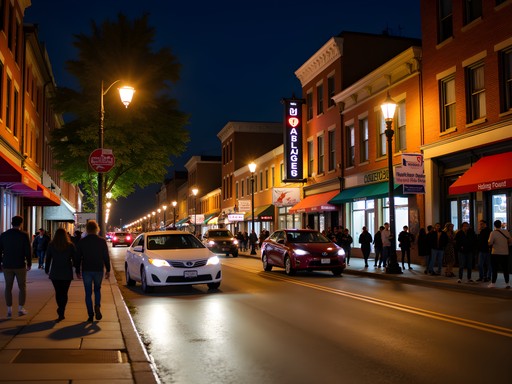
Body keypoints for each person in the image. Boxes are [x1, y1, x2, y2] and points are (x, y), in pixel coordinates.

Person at [75, 220, 111, 322]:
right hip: (98, 269)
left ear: (87, 229)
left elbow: (78, 257)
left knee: (88, 293)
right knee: (97, 290)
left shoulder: (82, 241)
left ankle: (90, 315)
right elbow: (105, 256)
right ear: (96, 229)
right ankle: (97, 306)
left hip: (87, 269)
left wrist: (77, 270)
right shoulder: (102, 241)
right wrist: (108, 269)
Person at [0, 216, 32, 317]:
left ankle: (9, 309)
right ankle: (20, 308)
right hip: (20, 264)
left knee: (8, 287)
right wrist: (29, 263)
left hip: (7, 265)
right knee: (22, 287)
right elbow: (27, 250)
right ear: (21, 223)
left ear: (11, 223)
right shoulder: (24, 235)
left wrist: (1, 263)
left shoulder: (4, 235)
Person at [45, 228, 76, 322]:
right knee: (64, 293)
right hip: (66, 271)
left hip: (55, 271)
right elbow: (75, 258)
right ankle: (61, 310)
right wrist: (76, 267)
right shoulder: (70, 245)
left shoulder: (51, 245)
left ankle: (60, 309)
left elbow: (48, 258)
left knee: (58, 292)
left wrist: (47, 269)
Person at [487, 219, 511, 289]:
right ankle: (507, 283)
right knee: (505, 269)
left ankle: (493, 283)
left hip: (496, 253)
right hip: (505, 253)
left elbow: (490, 242)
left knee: (495, 269)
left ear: (494, 225)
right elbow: (510, 241)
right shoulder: (506, 232)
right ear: (501, 225)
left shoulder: (493, 233)